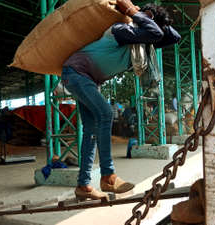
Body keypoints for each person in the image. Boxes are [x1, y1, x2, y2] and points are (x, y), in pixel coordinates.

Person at [61, 0, 181, 200]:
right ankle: (108, 176)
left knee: (90, 131)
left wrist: (150, 16)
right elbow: (156, 33)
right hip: (76, 73)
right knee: (106, 114)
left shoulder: (141, 43)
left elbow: (173, 37)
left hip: (87, 78)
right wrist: (135, 12)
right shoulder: (121, 30)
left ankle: (83, 185)